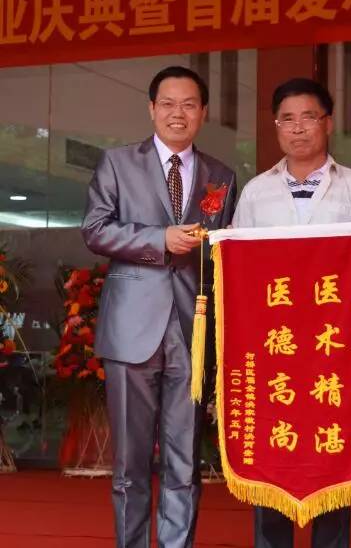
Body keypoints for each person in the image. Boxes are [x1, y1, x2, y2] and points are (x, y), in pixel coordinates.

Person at [82, 66, 236, 548]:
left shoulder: (221, 176)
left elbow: (225, 253)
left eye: (189, 104)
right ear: (151, 109)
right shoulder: (117, 163)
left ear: (203, 112)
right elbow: (95, 230)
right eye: (168, 104)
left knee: (183, 461)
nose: (178, 113)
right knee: (129, 464)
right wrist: (158, 239)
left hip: (193, 329)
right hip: (132, 329)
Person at [232, 77, 351, 548]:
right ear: (276, 126)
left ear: (328, 123)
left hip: (332, 350)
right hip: (273, 349)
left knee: (332, 452)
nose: (298, 128)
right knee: (272, 452)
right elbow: (236, 267)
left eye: (308, 117)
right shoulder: (256, 191)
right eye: (287, 119)